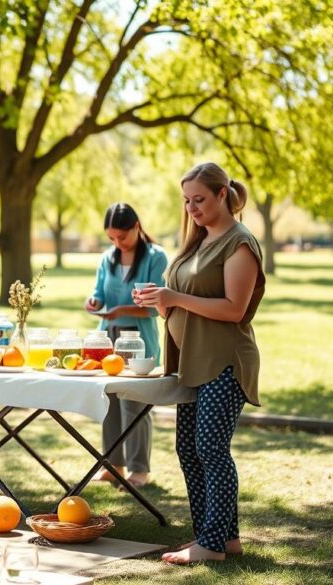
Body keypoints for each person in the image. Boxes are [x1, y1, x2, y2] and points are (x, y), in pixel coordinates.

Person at [135, 162, 264, 564]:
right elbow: (186, 297)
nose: (191, 207)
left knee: (210, 447)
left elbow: (233, 308)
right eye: (187, 200)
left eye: (200, 199)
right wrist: (162, 299)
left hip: (225, 361)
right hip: (193, 362)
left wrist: (175, 299)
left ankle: (209, 545)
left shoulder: (239, 243)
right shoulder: (199, 240)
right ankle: (224, 538)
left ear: (222, 194)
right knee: (188, 449)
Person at [85, 203, 167, 488]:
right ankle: (113, 464)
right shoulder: (108, 258)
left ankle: (139, 469)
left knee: (135, 404)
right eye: (111, 238)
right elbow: (98, 293)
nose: (117, 243)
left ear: (136, 227)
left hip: (140, 339)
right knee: (108, 403)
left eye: (122, 236)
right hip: (108, 337)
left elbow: (157, 306)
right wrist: (94, 302)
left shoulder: (156, 258)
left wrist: (121, 310)